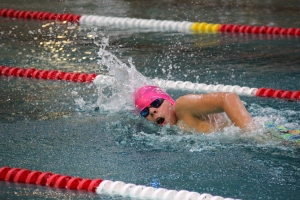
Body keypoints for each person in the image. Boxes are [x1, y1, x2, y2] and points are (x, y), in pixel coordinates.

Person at [134, 85, 254, 133]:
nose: (152, 111)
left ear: (169, 101)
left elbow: (227, 98)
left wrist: (251, 132)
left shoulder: (183, 106)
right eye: (145, 111)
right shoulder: (177, 126)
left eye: (156, 103)